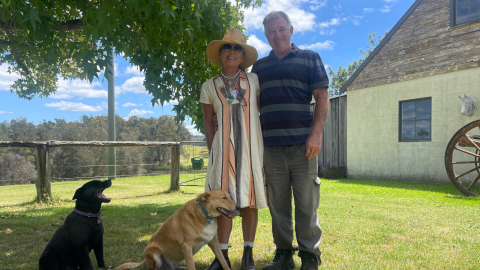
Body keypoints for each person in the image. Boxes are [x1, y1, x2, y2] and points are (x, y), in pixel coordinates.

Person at [251, 11, 330, 270]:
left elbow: (322, 97)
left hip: (303, 147)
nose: (277, 35)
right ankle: (283, 254)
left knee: (307, 205)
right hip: (271, 149)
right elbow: (252, 105)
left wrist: (316, 135)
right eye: (271, 31)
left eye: (281, 29)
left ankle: (309, 256)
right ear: (266, 35)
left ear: (291, 30)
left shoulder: (310, 58)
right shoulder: (259, 68)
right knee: (278, 207)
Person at [201, 28, 267, 270]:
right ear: (220, 54)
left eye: (237, 48)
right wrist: (213, 153)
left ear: (243, 56)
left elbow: (261, 110)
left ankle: (248, 254)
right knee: (222, 203)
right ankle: (222, 256)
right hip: (222, 154)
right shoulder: (209, 86)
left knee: (248, 201)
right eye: (227, 47)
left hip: (251, 151)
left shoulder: (254, 81)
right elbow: (209, 122)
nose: (232, 51)